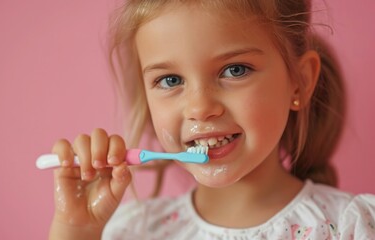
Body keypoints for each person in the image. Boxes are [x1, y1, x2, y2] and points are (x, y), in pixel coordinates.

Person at [48, 0, 375, 239]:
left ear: (300, 81)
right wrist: (77, 230)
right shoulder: (133, 231)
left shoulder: (352, 226)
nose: (200, 107)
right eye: (171, 81)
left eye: (235, 70)